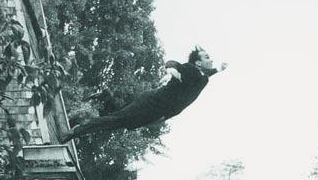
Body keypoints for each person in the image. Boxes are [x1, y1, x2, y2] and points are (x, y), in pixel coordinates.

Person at [62, 47, 227, 142]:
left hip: (157, 113)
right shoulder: (191, 70)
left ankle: (106, 97)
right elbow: (174, 63)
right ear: (198, 62)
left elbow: (208, 73)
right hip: (151, 103)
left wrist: (219, 69)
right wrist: (171, 69)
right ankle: (75, 132)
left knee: (120, 121)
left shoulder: (203, 79)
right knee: (116, 120)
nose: (211, 60)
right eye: (207, 57)